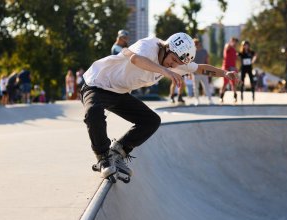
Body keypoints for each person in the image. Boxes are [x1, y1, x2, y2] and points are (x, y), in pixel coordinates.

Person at [81, 32, 238, 179]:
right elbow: (135, 59)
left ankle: (117, 151)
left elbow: (201, 69)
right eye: (173, 60)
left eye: (177, 63)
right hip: (96, 83)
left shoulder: (177, 61)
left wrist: (225, 73)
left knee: (151, 121)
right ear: (167, 47)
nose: (173, 65)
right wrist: (164, 71)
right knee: (93, 112)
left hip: (119, 93)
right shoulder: (149, 46)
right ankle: (102, 157)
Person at [192, 39, 213, 105]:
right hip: (195, 73)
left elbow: (207, 62)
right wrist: (190, 73)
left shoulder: (204, 51)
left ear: (198, 44)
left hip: (204, 72)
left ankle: (210, 100)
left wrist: (209, 71)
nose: (195, 46)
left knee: (206, 87)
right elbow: (190, 63)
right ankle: (197, 100)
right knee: (196, 88)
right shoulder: (192, 52)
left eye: (196, 44)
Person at [220, 37, 239, 103]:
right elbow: (227, 46)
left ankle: (235, 97)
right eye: (234, 42)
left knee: (233, 84)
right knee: (225, 83)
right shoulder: (228, 46)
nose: (235, 43)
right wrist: (231, 43)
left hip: (232, 68)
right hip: (226, 68)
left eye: (236, 42)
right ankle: (221, 97)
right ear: (231, 41)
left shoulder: (235, 50)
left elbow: (234, 60)